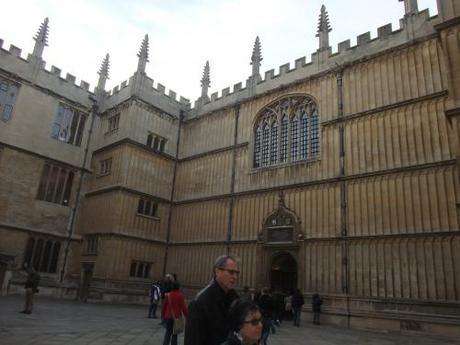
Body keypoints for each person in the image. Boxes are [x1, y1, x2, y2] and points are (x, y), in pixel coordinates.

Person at [184, 254, 240, 345]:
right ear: (217, 271)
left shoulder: (235, 299)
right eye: (231, 272)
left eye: (237, 273)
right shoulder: (199, 303)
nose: (235, 277)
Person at [162, 281, 188, 345]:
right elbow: (183, 307)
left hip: (167, 316)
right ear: (178, 287)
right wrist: (187, 316)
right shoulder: (180, 295)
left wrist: (162, 315)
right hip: (176, 317)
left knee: (168, 332)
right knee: (175, 333)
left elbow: (164, 306)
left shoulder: (168, 295)